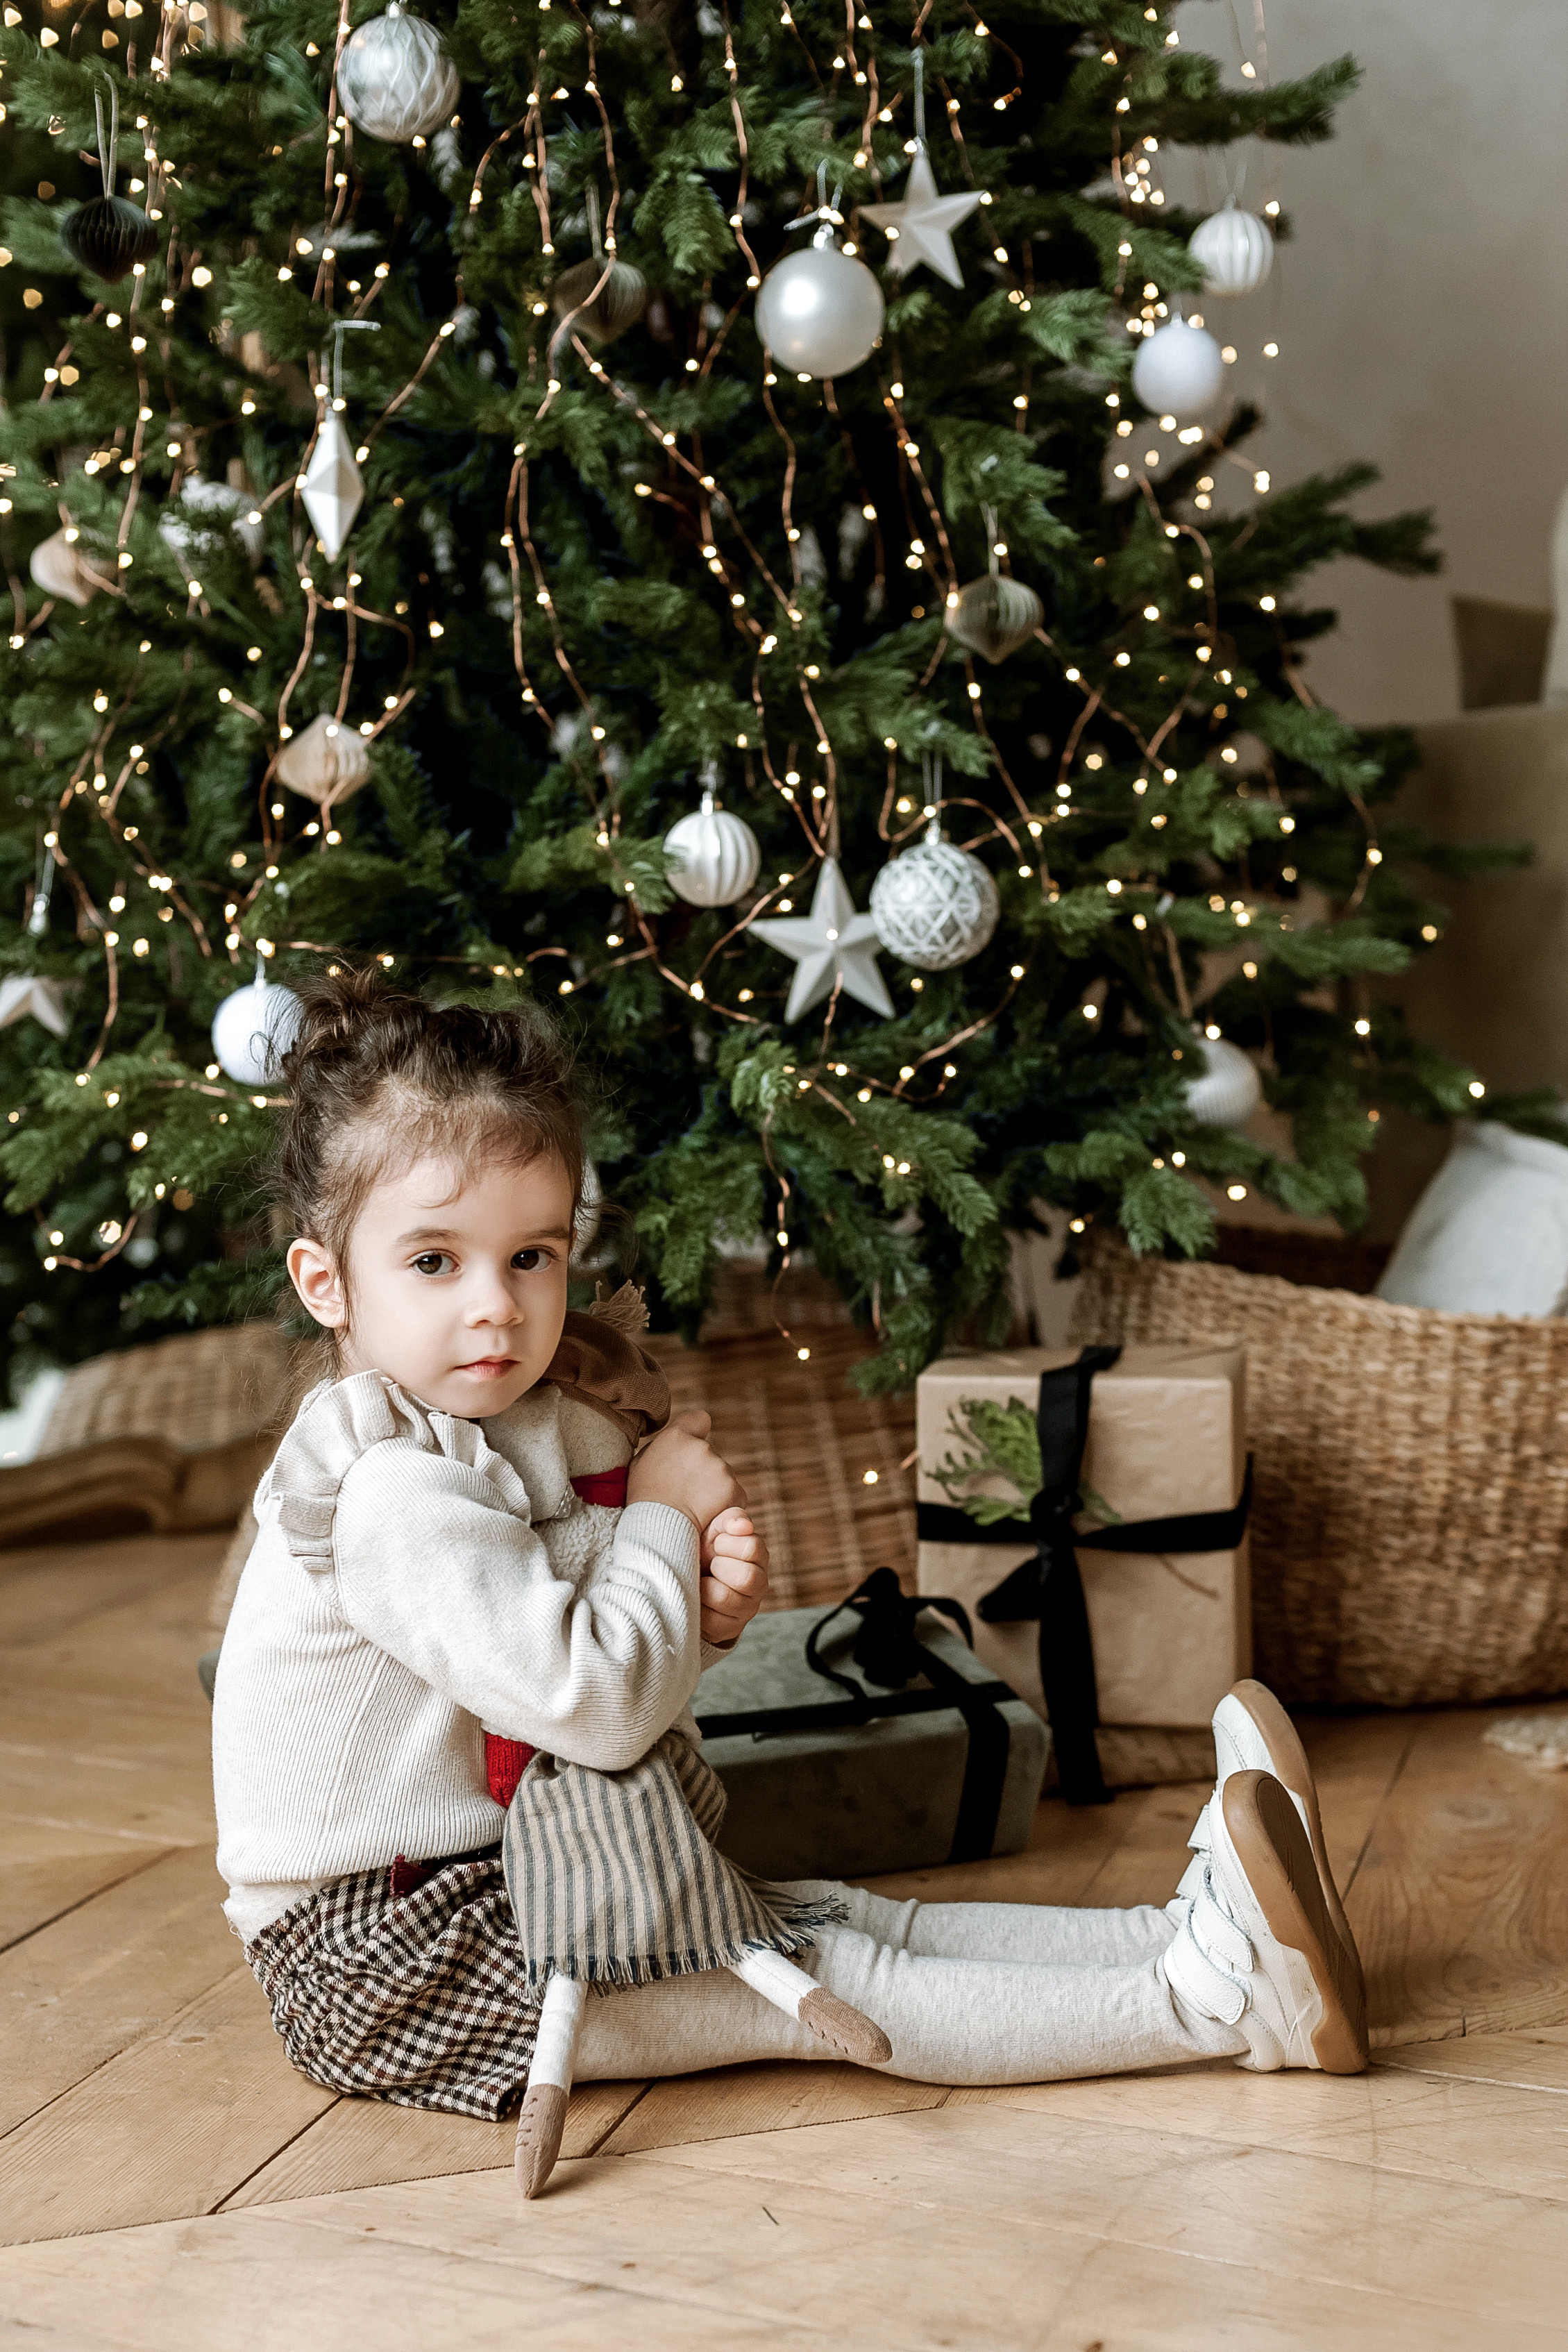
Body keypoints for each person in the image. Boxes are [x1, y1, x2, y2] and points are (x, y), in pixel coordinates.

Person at [212, 972, 1367, 2200]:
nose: (496, 1306)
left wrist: (687, 1619)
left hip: (484, 1882)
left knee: (842, 1917)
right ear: (326, 1282)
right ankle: (1217, 2006)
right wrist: (659, 1513)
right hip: (390, 1958)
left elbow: (575, 1666)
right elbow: (595, 1705)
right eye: (435, 1260)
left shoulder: (487, 1436)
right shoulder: (393, 1491)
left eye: (532, 1255)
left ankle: (1190, 1929)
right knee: (823, 1983)